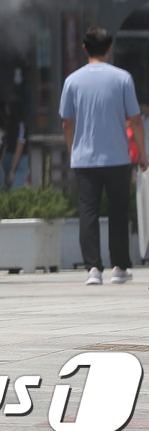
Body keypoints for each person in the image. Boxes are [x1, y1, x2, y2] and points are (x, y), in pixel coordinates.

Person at [59, 26, 146, 286]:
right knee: (119, 210)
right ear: (109, 48)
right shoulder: (122, 78)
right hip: (118, 156)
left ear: (84, 48)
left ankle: (93, 269)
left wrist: (72, 150)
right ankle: (119, 266)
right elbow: (136, 120)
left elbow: (66, 122)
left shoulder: (72, 81)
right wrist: (143, 152)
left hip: (84, 158)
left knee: (88, 212)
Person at [0, 99, 29, 188]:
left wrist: (12, 168)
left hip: (18, 159)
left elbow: (19, 146)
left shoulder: (21, 125)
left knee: (14, 188)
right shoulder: (9, 125)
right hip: (8, 157)